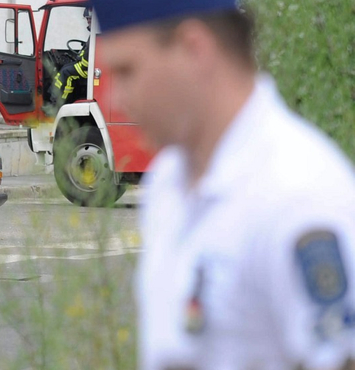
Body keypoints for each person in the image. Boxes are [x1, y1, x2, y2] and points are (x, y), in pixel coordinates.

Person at [91, 0, 355, 368]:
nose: (117, 100)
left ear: (194, 48)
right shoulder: (170, 180)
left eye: (127, 71)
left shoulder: (299, 195)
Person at [48, 7, 92, 110]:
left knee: (66, 73)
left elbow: (86, 62)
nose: (88, 21)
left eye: (90, 18)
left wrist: (78, 61)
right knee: (67, 67)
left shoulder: (95, 34)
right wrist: (77, 59)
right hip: (88, 67)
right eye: (87, 19)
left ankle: (58, 104)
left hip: (87, 69)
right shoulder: (94, 34)